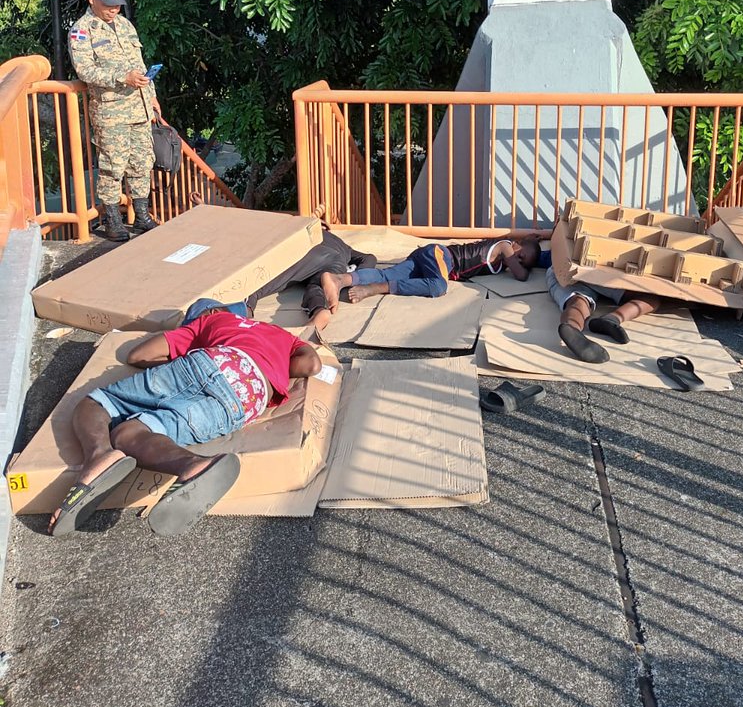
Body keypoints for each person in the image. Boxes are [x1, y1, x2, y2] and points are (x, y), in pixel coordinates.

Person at [48, 298, 321, 538]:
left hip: (214, 360)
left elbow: (139, 354)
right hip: (248, 400)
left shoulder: (210, 323)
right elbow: (312, 365)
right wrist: (274, 372)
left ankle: (98, 454)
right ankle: (193, 466)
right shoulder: (282, 336)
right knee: (128, 433)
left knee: (97, 403)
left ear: (204, 314)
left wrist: (173, 367)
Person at [68, 0, 161, 243]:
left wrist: (152, 94)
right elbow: (85, 70)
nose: (114, 10)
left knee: (143, 162)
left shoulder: (125, 25)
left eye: (118, 4)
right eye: (109, 5)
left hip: (140, 106)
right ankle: (112, 220)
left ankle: (142, 215)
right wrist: (121, 78)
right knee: (113, 165)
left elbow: (139, 64)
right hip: (111, 112)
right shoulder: (82, 30)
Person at [324, 236, 542, 302]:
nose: (518, 261)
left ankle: (340, 279)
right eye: (521, 255)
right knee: (438, 287)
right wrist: (524, 265)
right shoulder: (504, 246)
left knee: (386, 272)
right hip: (440, 256)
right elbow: (521, 276)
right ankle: (377, 288)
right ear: (516, 243)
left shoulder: (503, 259)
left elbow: (519, 270)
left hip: (430, 262)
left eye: (522, 261)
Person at [245, 230, 377, 332]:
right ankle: (318, 310)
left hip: (309, 254)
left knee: (266, 280)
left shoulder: (303, 232)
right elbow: (370, 258)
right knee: (318, 285)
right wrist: (352, 280)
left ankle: (245, 307)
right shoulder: (344, 246)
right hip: (337, 261)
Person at [547, 265, 661, 364]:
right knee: (651, 298)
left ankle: (573, 327)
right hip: (593, 272)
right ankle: (613, 318)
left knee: (577, 301)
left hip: (572, 270)